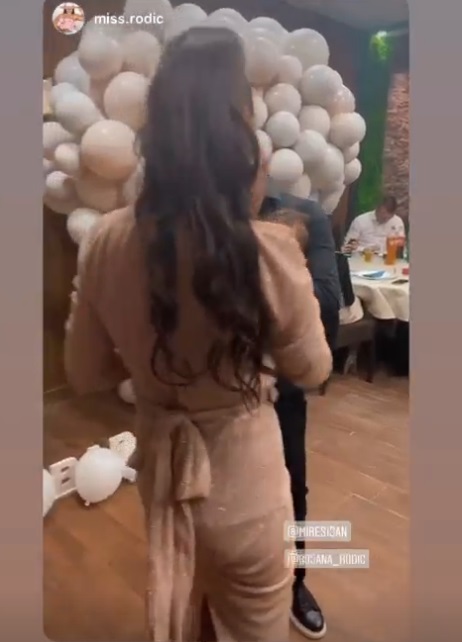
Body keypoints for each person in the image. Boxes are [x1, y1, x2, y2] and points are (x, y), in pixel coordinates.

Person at [64, 27, 332, 642]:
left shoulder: (105, 241)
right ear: (239, 132)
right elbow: (314, 368)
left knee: (192, 613)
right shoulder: (268, 249)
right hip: (247, 493)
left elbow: (85, 373)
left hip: (164, 479)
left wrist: (149, 363)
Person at [261, 193, 340, 639]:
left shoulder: (306, 214)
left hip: (284, 389)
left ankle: (295, 584)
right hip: (215, 395)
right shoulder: (206, 213)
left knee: (293, 489)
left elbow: (328, 301)